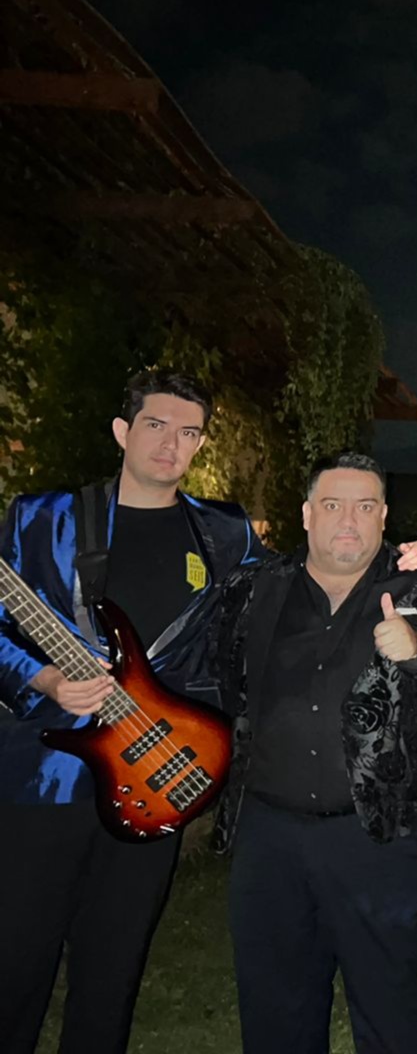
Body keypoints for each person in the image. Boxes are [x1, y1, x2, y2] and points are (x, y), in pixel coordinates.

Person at [0, 369, 260, 1054]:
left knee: (112, 972)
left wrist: (395, 567)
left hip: (155, 775)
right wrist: (43, 678)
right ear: (123, 431)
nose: (171, 445)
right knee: (14, 963)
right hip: (45, 777)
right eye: (155, 425)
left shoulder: (224, 533)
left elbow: (286, 601)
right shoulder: (43, 518)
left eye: (188, 432)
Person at [208, 452, 417, 1054]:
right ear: (307, 514)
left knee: (392, 1002)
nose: (349, 519)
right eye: (333, 505)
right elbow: (220, 678)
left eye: (365, 506)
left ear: (383, 516)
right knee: (275, 1005)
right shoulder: (254, 586)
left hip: (374, 836)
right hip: (269, 834)